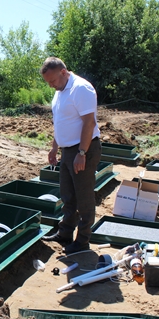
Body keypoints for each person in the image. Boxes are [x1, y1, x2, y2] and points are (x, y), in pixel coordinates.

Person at [39, 57, 102, 254]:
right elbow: (61, 122)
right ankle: (65, 232)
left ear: (63, 72)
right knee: (67, 195)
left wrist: (82, 153)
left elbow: (88, 123)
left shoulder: (80, 88)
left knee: (84, 197)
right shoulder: (60, 92)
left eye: (53, 81)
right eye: (48, 82)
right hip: (67, 150)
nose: (51, 85)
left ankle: (82, 240)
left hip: (84, 149)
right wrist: (54, 148)